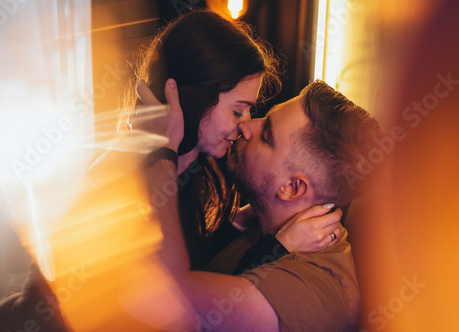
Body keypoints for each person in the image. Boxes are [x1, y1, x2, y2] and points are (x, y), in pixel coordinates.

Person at [139, 79, 383, 331]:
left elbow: (165, 293)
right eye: (264, 117)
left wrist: (163, 151)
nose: (246, 126)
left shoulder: (306, 294)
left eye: (267, 135)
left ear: (292, 188)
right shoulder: (269, 222)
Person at [124, 9, 342, 270]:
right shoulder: (127, 185)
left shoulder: (202, 176)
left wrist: (268, 215)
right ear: (195, 98)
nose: (245, 125)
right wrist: (278, 248)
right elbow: (180, 296)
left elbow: (205, 262)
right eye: (238, 111)